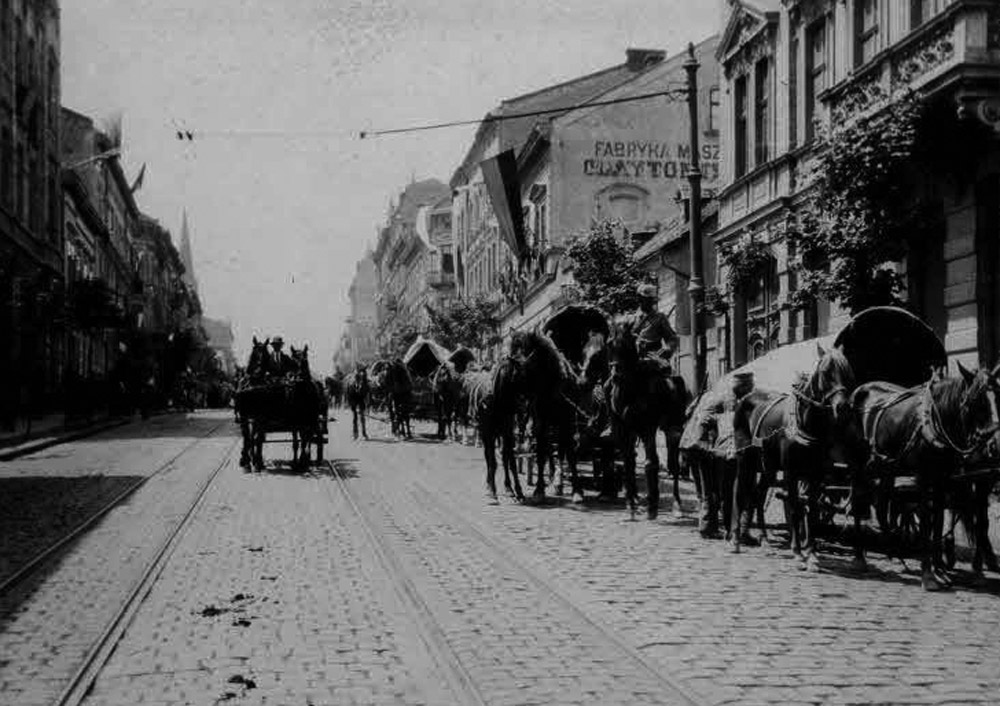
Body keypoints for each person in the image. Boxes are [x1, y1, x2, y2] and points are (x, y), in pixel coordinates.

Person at [629, 283, 679, 370]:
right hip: (634, 361)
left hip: (653, 360)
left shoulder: (660, 318)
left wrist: (664, 352)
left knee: (666, 381)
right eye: (643, 299)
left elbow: (672, 339)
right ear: (639, 299)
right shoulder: (631, 319)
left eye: (649, 300)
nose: (646, 302)